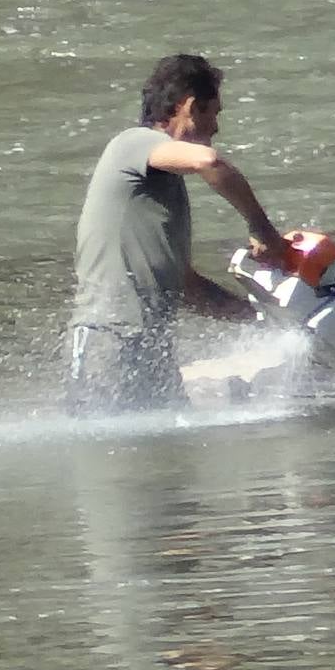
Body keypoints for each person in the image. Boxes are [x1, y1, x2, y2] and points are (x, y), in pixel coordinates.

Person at [69, 53, 288, 413]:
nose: (216, 127)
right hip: (107, 339)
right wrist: (262, 229)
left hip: (152, 347)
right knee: (109, 459)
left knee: (171, 463)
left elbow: (186, 286)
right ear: (188, 107)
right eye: (213, 113)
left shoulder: (161, 190)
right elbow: (209, 162)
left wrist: (264, 319)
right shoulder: (132, 143)